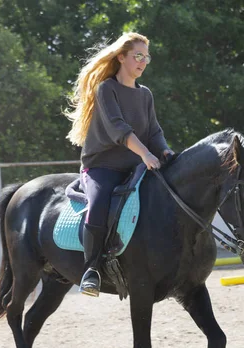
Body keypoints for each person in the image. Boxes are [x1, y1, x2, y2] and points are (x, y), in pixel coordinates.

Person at [66, 32, 174, 297]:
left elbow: (154, 131)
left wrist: (165, 151)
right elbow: (118, 129)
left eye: (146, 56)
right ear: (122, 57)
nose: (143, 61)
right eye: (138, 56)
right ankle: (91, 270)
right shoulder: (107, 89)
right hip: (102, 166)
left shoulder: (145, 94)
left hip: (135, 165)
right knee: (100, 203)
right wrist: (147, 154)